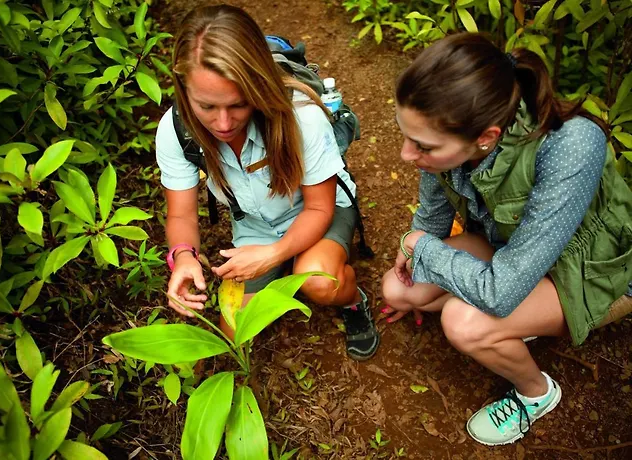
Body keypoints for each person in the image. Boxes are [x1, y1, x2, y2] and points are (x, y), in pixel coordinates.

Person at [381, 32, 632, 446]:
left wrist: (420, 247)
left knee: (463, 323)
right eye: (405, 136)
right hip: (514, 254)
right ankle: (520, 323)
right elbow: (431, 221)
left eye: (422, 146)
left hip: (591, 273)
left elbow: (495, 291)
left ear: (486, 136)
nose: (407, 155)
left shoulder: (571, 144)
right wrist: (419, 249)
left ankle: (536, 394)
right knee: (399, 288)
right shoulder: (451, 131)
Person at [155, 4, 379, 361]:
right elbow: (181, 216)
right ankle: (287, 264)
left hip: (319, 210)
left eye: (239, 104)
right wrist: (183, 256)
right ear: (183, 88)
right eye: (207, 106)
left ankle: (353, 302)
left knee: (318, 281)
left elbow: (320, 206)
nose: (224, 123)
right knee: (234, 328)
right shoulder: (175, 129)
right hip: (257, 227)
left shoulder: (300, 115)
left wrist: (273, 255)